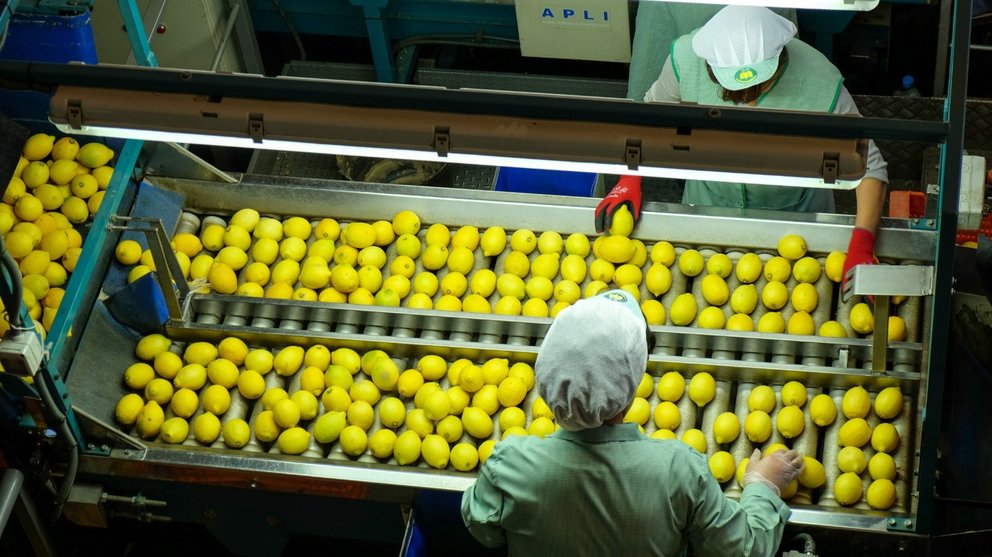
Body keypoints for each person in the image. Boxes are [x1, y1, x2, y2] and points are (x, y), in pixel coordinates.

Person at [461, 289, 805, 556]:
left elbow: (483, 529)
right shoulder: (679, 471)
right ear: (630, 386)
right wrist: (763, 487)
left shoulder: (509, 463)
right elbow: (743, 549)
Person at [597, 6, 888, 288]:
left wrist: (862, 241)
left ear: (780, 60)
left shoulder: (819, 81)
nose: (744, 100)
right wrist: (629, 178)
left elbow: (869, 165)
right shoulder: (686, 59)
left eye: (756, 89)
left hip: (795, 223)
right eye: (729, 90)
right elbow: (647, 122)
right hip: (706, 211)